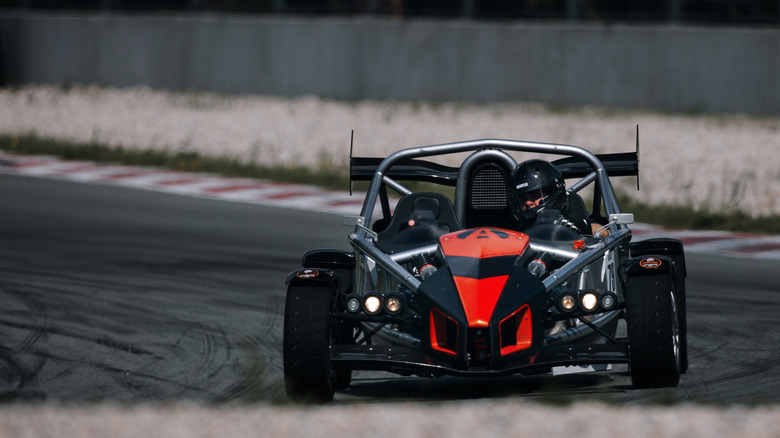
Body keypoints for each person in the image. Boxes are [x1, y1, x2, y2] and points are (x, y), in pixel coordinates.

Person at [507, 159, 591, 234]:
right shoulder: (514, 234)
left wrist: (577, 227)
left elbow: (600, 231)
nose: (528, 202)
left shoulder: (576, 217)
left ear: (552, 191)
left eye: (535, 195)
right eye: (522, 198)